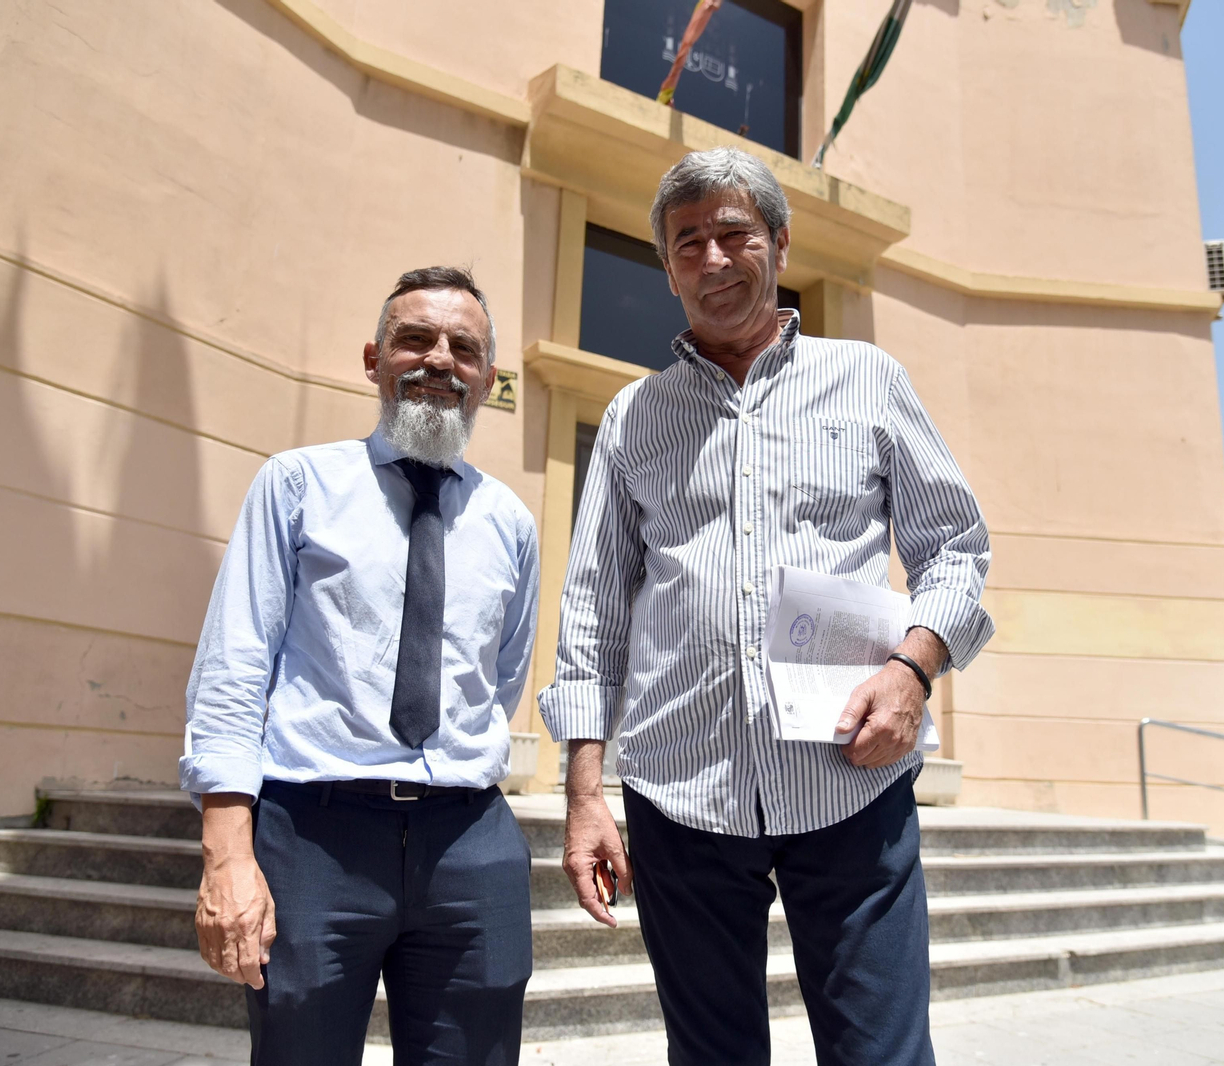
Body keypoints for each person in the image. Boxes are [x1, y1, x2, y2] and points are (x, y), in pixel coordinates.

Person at [538, 147, 994, 1066]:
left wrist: (913, 670)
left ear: (779, 245)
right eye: (686, 242)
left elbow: (956, 548)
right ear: (667, 270)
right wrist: (586, 794)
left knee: (881, 1054)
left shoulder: (868, 379)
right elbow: (593, 609)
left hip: (849, 781)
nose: (712, 258)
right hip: (681, 795)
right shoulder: (635, 416)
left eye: (734, 233)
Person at [182, 267, 540, 1066]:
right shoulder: (297, 485)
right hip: (314, 837)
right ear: (375, 358)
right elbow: (236, 667)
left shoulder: (510, 522)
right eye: (415, 339)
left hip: (469, 842)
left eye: (465, 348)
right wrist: (227, 851)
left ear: (487, 377)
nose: (439, 360)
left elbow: (500, 677)